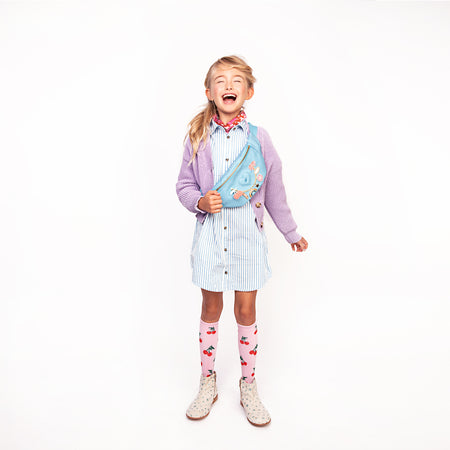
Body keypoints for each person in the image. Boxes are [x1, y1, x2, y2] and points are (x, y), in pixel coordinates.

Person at [176, 55, 308, 427]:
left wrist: (291, 232)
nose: (228, 86)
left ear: (249, 91)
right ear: (209, 92)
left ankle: (248, 385)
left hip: (248, 239)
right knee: (210, 307)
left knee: (246, 311)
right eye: (220, 80)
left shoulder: (259, 139)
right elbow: (183, 186)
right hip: (210, 237)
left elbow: (274, 188)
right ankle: (208, 381)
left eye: (236, 80)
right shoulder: (198, 137)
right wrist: (200, 202)